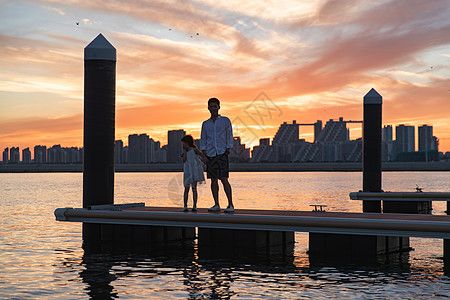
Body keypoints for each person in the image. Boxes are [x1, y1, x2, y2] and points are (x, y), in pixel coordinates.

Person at [200, 97, 235, 213]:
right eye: (211, 106)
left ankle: (230, 204)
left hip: (222, 152)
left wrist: (228, 149)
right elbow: (203, 139)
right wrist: (204, 155)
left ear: (219, 107)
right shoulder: (205, 124)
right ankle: (216, 204)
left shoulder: (225, 120)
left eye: (215, 106)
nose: (213, 108)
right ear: (208, 108)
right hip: (210, 154)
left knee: (224, 179)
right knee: (213, 180)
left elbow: (229, 135)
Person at [180, 135, 207, 212]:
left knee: (194, 188)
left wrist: (205, 160)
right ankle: (185, 206)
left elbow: (201, 155)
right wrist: (184, 151)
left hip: (194, 170)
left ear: (187, 142)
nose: (183, 144)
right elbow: (184, 160)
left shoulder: (194, 150)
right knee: (186, 189)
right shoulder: (185, 152)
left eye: (184, 143)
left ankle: (194, 205)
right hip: (188, 171)